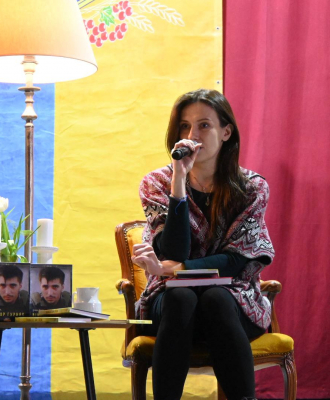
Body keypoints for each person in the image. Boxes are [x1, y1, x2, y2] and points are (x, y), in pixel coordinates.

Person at [131, 89, 274, 400]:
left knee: (216, 297)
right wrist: (178, 181)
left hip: (234, 301)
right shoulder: (156, 183)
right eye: (184, 126)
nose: (191, 135)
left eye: (204, 125)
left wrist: (174, 269)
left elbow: (236, 260)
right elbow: (173, 250)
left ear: (226, 132)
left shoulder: (252, 187)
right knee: (181, 297)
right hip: (170, 305)